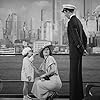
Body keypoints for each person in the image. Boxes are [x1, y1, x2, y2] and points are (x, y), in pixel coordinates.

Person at [62, 4, 88, 100]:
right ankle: (79, 96)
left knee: (73, 75)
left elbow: (76, 38)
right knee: (78, 75)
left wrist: (81, 49)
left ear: (68, 11)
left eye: (64, 12)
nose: (64, 14)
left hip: (74, 52)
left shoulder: (71, 22)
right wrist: (84, 49)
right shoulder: (78, 21)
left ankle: (74, 97)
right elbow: (84, 37)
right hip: (79, 52)